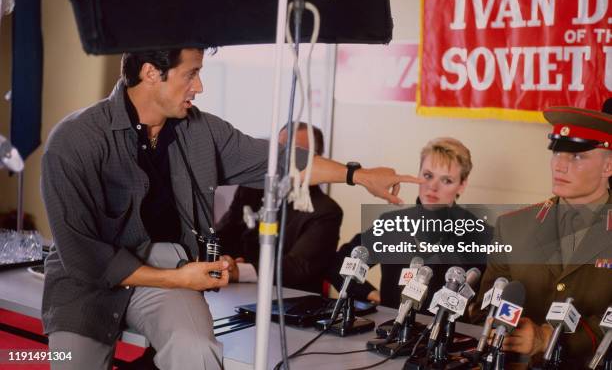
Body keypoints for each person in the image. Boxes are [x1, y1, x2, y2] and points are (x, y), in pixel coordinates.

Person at [40, 47, 421, 370]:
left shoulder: (201, 130)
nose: (200, 86)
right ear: (151, 73)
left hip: (169, 265)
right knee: (71, 361)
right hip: (86, 282)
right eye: (191, 74)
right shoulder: (75, 141)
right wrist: (182, 279)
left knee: (198, 352)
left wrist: (357, 174)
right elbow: (84, 257)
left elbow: (278, 159)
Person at [476, 105, 612, 366]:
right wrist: (502, 330)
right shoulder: (512, 226)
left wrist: (549, 338)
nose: (560, 165)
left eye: (577, 157)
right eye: (558, 152)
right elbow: (483, 309)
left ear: (608, 167)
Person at [327, 137, 491, 310]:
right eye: (428, 175)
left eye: (446, 180)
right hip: (390, 331)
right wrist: (372, 295)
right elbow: (337, 265)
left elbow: (487, 302)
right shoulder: (392, 224)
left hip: (446, 334)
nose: (433, 187)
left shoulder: (480, 234)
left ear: (462, 185)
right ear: (418, 175)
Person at [217, 123, 342, 293]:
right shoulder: (251, 190)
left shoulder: (326, 211)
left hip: (290, 304)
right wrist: (223, 261)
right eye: (281, 150)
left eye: (298, 154)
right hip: (237, 294)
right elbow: (224, 234)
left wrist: (241, 271)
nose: (285, 159)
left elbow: (299, 267)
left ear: (315, 161)